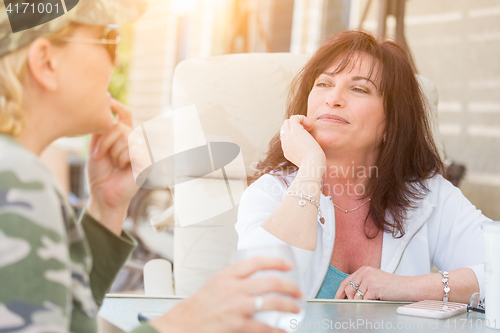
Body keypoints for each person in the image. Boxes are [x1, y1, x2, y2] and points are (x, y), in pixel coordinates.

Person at [0, 1, 301, 332]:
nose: (116, 60)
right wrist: (183, 322)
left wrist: (105, 210)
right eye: (108, 39)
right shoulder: (18, 178)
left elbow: (58, 317)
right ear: (46, 63)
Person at [236, 30, 490, 303]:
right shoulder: (269, 193)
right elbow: (258, 297)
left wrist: (405, 288)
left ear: (390, 124)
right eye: (323, 84)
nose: (333, 98)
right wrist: (310, 167)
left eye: (359, 88)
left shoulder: (428, 195)